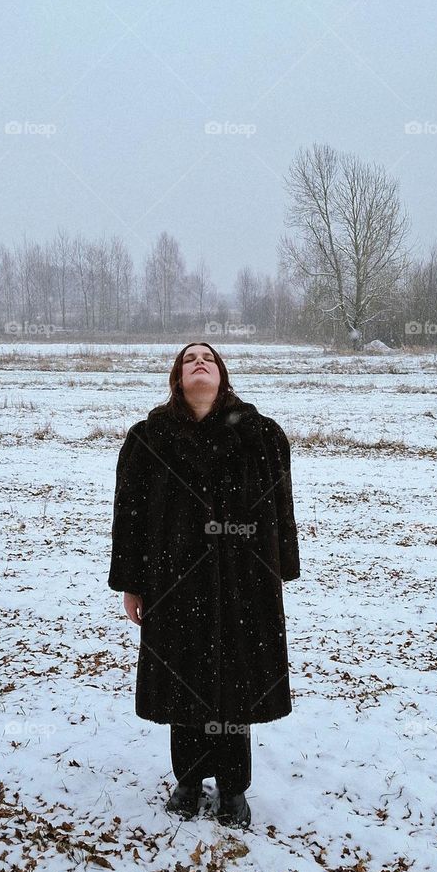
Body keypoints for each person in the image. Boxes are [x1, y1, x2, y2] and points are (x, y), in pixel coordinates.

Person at [107, 341, 300, 829]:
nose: (199, 362)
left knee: (236, 681)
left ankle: (234, 788)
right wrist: (132, 584)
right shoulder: (148, 438)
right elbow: (128, 516)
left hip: (243, 579)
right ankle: (189, 781)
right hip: (172, 580)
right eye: (189, 358)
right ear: (177, 377)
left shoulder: (261, 434)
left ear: (222, 375)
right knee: (182, 678)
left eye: (208, 358)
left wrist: (278, 571)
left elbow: (282, 509)